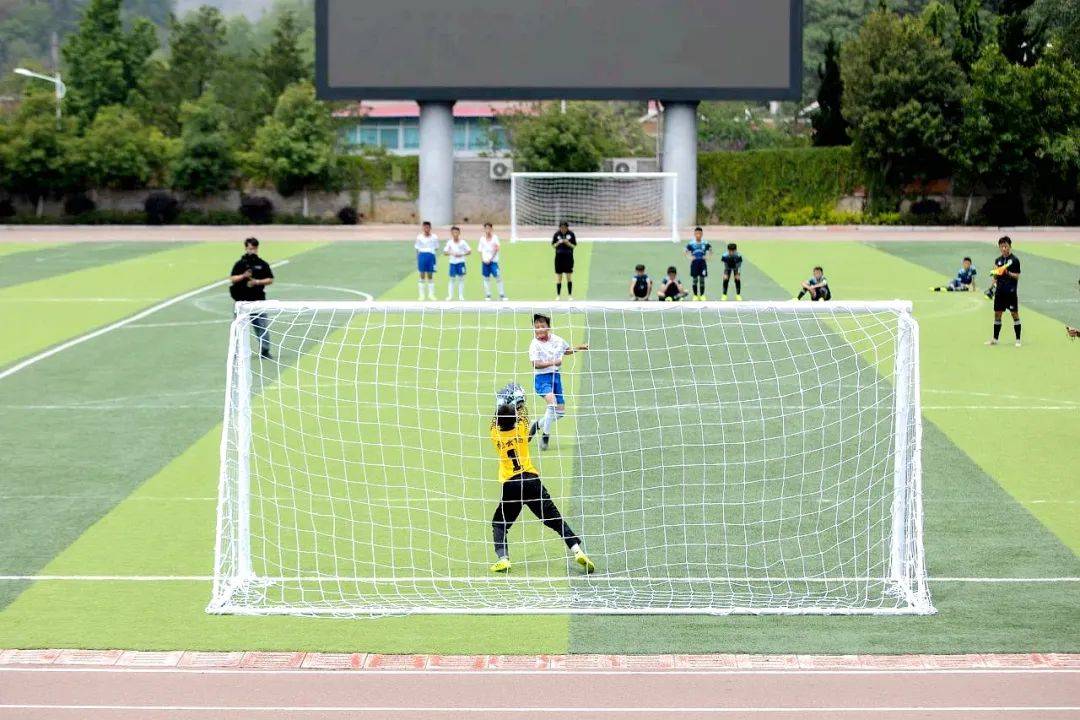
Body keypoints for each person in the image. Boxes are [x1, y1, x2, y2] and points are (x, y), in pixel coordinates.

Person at [488, 385, 594, 575]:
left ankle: (503, 559)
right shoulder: (521, 427)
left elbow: (495, 419)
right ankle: (577, 550)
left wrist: (502, 402)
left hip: (511, 484)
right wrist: (517, 400)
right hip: (531, 480)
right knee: (555, 519)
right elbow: (522, 411)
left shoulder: (494, 435)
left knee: (500, 523)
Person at [528, 313, 588, 451]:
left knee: (560, 413)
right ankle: (545, 437)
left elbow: (566, 351)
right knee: (552, 402)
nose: (539, 329)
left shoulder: (557, 340)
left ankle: (536, 425)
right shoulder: (534, 344)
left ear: (548, 327)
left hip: (556, 377)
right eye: (536, 327)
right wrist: (554, 362)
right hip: (542, 378)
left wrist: (580, 347)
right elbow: (535, 364)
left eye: (542, 326)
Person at [228, 237, 275, 359]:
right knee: (238, 327)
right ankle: (237, 351)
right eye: (249, 248)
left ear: (257, 248)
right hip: (241, 301)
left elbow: (270, 279)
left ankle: (265, 351)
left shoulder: (262, 264)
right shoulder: (240, 264)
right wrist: (243, 276)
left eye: (254, 248)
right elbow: (232, 278)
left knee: (262, 327)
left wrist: (257, 282)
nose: (251, 251)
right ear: (245, 248)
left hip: (258, 300)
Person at [987, 236, 1022, 347]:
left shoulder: (1015, 260)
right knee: (997, 314)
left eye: (1005, 246)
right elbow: (995, 275)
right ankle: (995, 339)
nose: (1003, 248)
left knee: (1014, 314)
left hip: (1010, 293)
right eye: (1001, 246)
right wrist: (991, 287)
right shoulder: (998, 260)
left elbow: (1017, 276)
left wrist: (1007, 272)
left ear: (1010, 246)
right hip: (999, 292)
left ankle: (1018, 340)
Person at [478, 223, 508, 301]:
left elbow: (497, 248)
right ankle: (488, 295)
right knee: (486, 278)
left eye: (489, 228)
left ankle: (502, 295)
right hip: (485, 262)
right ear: (484, 230)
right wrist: (483, 260)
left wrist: (490, 259)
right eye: (486, 228)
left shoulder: (495, 238)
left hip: (493, 262)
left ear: (491, 229)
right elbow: (480, 250)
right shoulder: (482, 239)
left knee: (498, 277)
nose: (488, 230)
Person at [443, 226, 471, 301]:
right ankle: (450, 296)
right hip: (452, 263)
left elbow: (469, 251)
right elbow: (445, 252)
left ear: (459, 233)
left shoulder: (463, 242)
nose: (455, 234)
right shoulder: (449, 242)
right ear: (451, 233)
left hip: (461, 262)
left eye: (456, 232)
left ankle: (461, 296)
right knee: (452, 279)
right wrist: (451, 253)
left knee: (461, 279)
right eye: (453, 232)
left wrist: (461, 254)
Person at [684, 227, 712, 301]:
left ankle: (702, 295)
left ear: (702, 234)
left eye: (700, 233)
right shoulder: (691, 243)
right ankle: (695, 295)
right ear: (694, 234)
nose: (698, 235)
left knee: (702, 279)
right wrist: (690, 258)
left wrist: (707, 257)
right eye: (697, 233)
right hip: (694, 264)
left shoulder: (705, 243)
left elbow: (710, 249)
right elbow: (685, 251)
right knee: (695, 279)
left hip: (702, 263)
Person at [552, 221, 577, 300]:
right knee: (559, 277)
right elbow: (553, 245)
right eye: (561, 228)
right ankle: (558, 295)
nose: (563, 229)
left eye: (564, 228)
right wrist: (559, 243)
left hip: (568, 258)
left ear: (567, 227)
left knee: (569, 277)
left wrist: (568, 243)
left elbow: (574, 246)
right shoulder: (556, 234)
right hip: (559, 258)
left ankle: (570, 295)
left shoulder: (571, 234)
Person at [415, 221, 439, 301]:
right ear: (422, 228)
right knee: (422, 275)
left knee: (430, 275)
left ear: (430, 228)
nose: (426, 229)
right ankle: (421, 295)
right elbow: (417, 248)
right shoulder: (419, 237)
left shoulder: (434, 237)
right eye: (424, 227)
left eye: (428, 227)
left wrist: (430, 252)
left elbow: (436, 247)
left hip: (431, 256)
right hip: (422, 256)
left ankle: (431, 295)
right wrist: (418, 259)